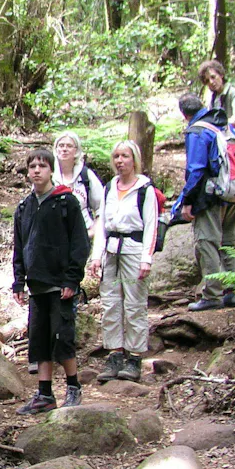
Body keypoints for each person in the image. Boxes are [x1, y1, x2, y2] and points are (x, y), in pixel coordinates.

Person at [12, 149, 90, 413]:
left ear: (51, 170)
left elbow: (80, 243)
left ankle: (73, 387)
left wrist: (72, 279)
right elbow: (20, 246)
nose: (36, 170)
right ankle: (44, 394)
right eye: (32, 166)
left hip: (60, 284)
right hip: (37, 285)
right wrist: (18, 281)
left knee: (63, 337)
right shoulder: (24, 207)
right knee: (40, 339)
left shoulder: (66, 202)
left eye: (42, 166)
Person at [88, 141, 158, 383]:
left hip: (133, 252)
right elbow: (103, 226)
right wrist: (96, 256)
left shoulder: (145, 189)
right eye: (116, 156)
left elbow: (151, 225)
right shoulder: (109, 188)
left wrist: (146, 259)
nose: (120, 161)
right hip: (111, 253)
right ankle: (114, 354)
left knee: (134, 304)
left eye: (125, 156)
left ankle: (135, 357)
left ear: (134, 160)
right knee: (110, 304)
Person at [171, 93, 235, 311]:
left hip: (213, 196)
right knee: (231, 243)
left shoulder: (197, 131)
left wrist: (186, 201)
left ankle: (212, 294)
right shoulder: (224, 125)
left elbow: (196, 170)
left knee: (207, 242)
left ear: (184, 114)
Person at [199, 59, 235, 167]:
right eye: (207, 81)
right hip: (229, 152)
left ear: (221, 75)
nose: (211, 82)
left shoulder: (232, 94)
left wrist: (222, 123)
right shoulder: (214, 98)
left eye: (213, 77)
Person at [53, 131, 104, 234]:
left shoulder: (86, 175)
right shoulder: (48, 175)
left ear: (76, 151)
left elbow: (101, 206)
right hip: (55, 238)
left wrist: (94, 230)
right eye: (61, 145)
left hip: (84, 235)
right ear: (56, 149)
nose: (64, 149)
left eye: (69, 146)